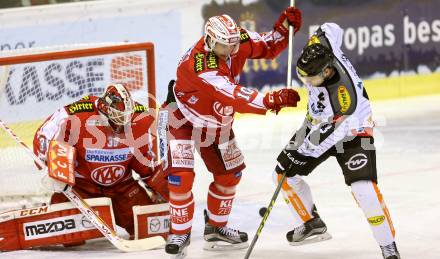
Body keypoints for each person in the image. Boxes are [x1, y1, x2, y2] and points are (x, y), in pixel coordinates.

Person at [160, 7, 303, 258]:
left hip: (216, 122)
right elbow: (234, 95)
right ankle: (179, 232)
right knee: (180, 179)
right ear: (209, 41)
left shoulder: (236, 40)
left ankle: (216, 228)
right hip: (181, 119)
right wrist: (272, 99)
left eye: (234, 44)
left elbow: (267, 45)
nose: (231, 51)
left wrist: (283, 29)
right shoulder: (200, 66)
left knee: (230, 175)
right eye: (224, 47)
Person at [273, 23, 400, 259]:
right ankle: (311, 223)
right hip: (316, 123)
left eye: (310, 78)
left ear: (327, 72)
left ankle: (388, 246)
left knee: (364, 190)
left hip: (353, 130)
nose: (306, 82)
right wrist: (317, 37)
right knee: (281, 173)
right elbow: (332, 28)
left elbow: (329, 136)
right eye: (303, 77)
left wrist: (302, 153)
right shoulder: (323, 48)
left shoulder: (344, 98)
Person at [32, 83, 169, 243]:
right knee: (69, 240)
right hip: (80, 188)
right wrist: (52, 167)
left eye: (125, 118)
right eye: (117, 118)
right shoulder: (75, 114)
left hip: (122, 188)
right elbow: (43, 137)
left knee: (155, 230)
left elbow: (147, 163)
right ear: (104, 108)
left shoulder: (142, 119)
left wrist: (162, 189)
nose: (122, 124)